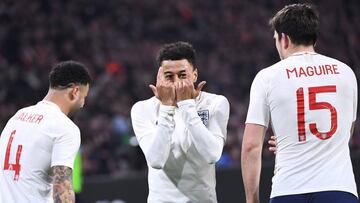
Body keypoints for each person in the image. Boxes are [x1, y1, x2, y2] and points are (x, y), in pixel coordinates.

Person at [241, 3, 358, 203]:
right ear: (314, 37)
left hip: (289, 189)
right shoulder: (346, 72)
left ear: (284, 38)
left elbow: (251, 146)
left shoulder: (267, 77)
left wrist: (252, 200)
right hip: (339, 187)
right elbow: (346, 132)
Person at [131, 41, 230, 202]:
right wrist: (166, 107)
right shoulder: (142, 109)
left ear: (195, 75)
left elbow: (212, 155)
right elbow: (156, 160)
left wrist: (187, 106)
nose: (176, 82)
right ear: (159, 77)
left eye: (182, 75)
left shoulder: (215, 103)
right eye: (169, 76)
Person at [0, 61, 92, 203]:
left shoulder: (17, 117)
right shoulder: (65, 127)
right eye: (83, 97)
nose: (83, 104)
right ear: (74, 92)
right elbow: (62, 190)